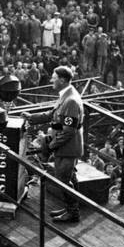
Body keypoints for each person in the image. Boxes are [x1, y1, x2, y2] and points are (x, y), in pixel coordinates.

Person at [23, 65, 85, 223]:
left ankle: (73, 213)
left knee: (63, 181)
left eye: (54, 77)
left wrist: (51, 146)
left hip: (68, 148)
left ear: (62, 80)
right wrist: (32, 117)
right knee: (68, 178)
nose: (51, 79)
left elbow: (68, 131)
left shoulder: (70, 100)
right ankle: (71, 209)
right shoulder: (66, 95)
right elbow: (52, 115)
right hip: (66, 146)